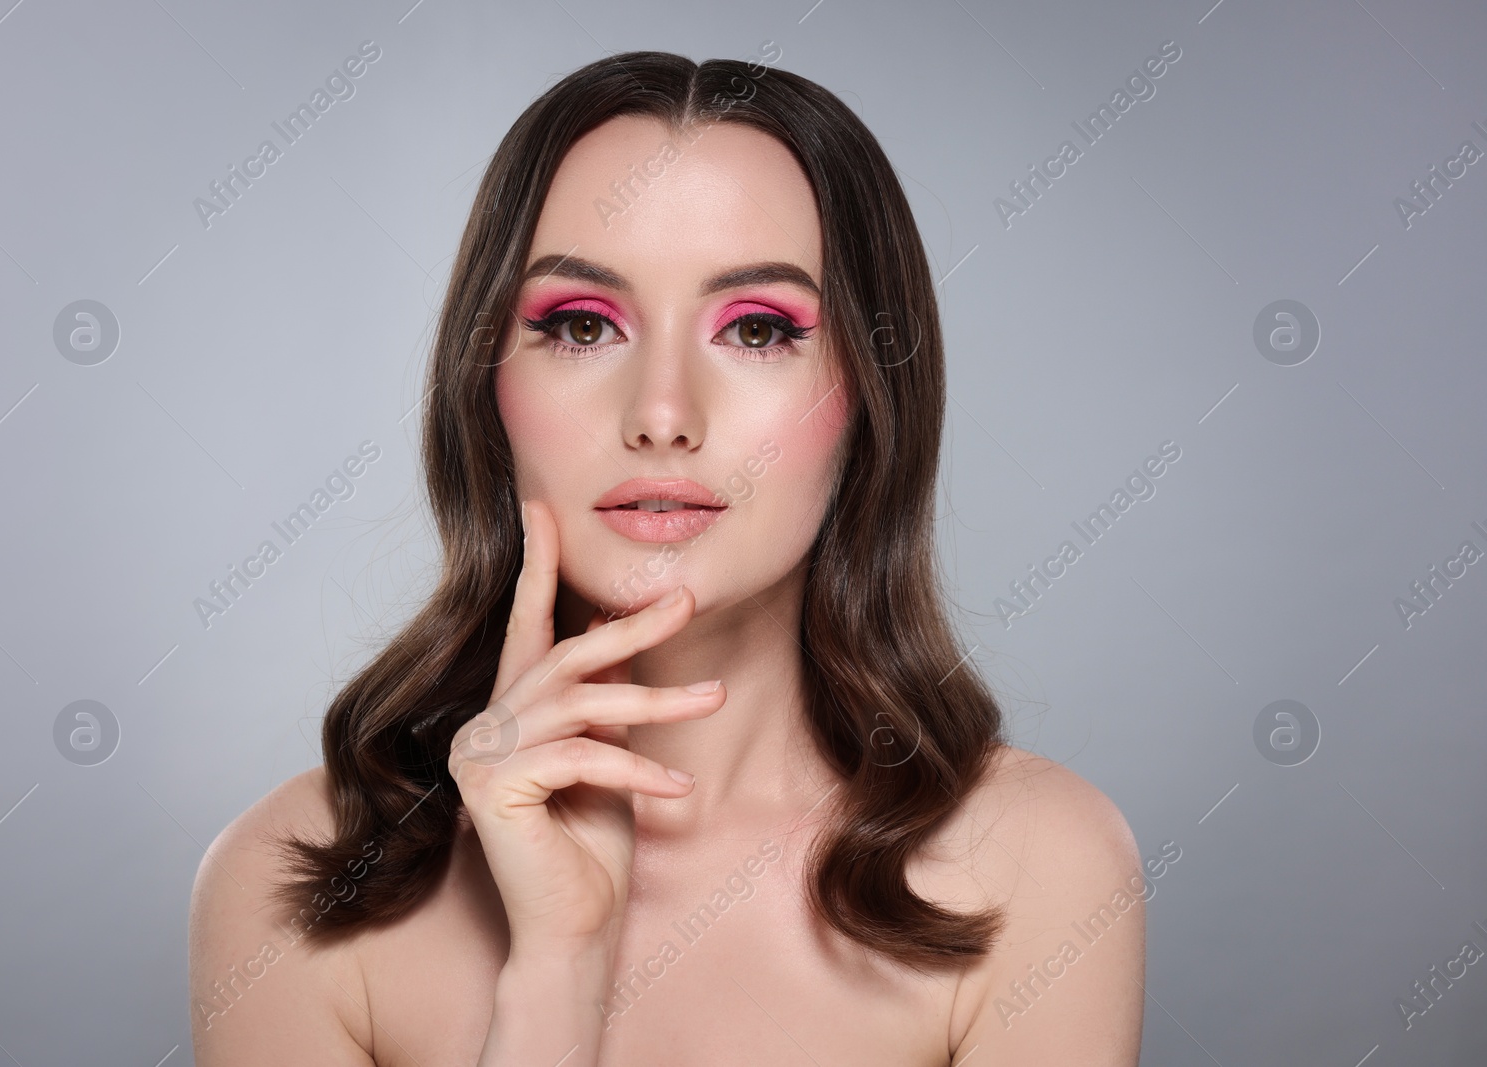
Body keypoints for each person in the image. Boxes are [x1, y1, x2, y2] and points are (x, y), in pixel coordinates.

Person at [189, 50, 1145, 1066]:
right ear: (485, 388)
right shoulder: (291, 884)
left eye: (759, 329)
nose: (661, 415)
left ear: (868, 398)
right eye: (582, 324)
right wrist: (559, 971)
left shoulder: (1036, 863)